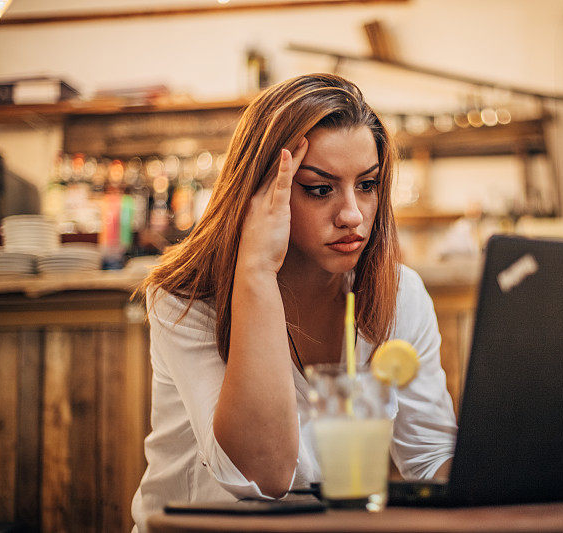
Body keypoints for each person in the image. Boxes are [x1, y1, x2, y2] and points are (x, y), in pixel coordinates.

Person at [130, 73, 457, 531]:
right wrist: (257, 272)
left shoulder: (399, 295)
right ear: (259, 192)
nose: (352, 214)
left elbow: (430, 459)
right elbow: (263, 476)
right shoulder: (185, 302)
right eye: (320, 189)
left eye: (367, 185)